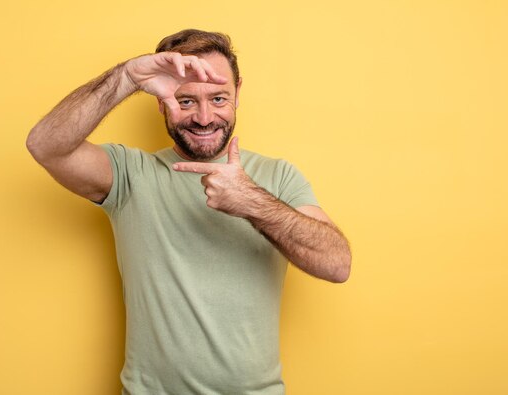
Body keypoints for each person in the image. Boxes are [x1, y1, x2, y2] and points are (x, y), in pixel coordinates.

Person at [27, 29, 351, 395]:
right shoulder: (130, 174)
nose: (203, 117)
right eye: (185, 101)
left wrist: (251, 201)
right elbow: (45, 145)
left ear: (238, 92)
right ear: (160, 102)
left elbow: (336, 264)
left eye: (218, 98)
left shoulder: (277, 177)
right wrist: (128, 77)